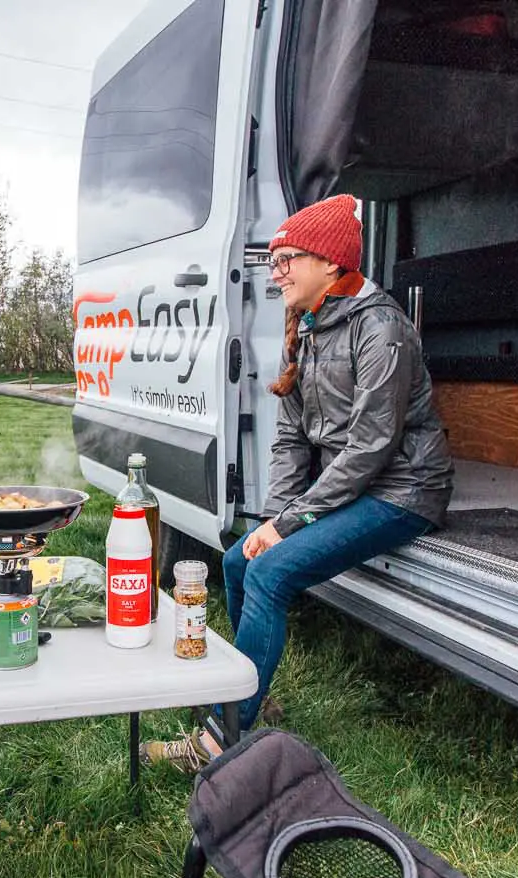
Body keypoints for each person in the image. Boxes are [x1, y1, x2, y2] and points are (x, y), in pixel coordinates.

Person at [142, 194, 453, 771]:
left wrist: (290, 525)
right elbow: (290, 441)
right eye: (275, 259)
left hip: (404, 490)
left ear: (332, 264)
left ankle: (220, 738)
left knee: (270, 572)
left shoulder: (381, 328)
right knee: (238, 559)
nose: (276, 270)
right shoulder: (308, 326)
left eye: (289, 258)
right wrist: (270, 521)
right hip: (355, 483)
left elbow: (371, 448)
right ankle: (245, 692)